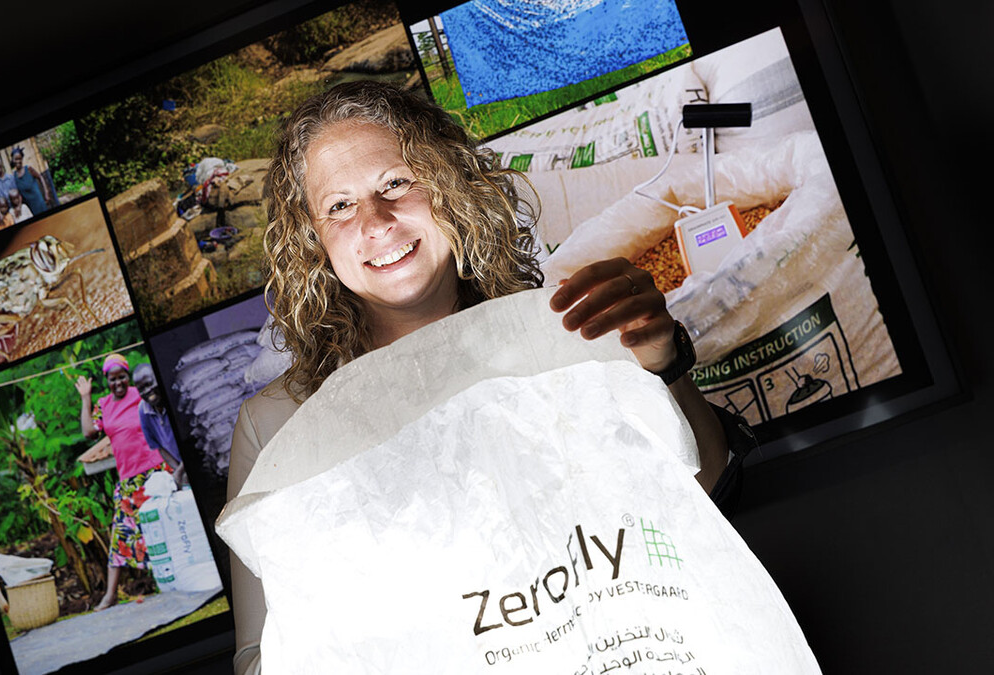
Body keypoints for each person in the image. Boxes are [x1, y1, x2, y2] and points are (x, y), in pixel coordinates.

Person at [226, 81, 753, 674]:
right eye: (339, 206)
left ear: (450, 188)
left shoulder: (566, 332)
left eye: (396, 184)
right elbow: (258, 658)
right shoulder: (278, 427)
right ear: (312, 242)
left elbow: (706, 490)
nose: (376, 221)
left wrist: (662, 363)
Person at [76, 354, 170, 611]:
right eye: (112, 378)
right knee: (122, 535)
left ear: (127, 377)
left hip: (155, 471)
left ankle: (170, 579)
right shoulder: (103, 404)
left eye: (121, 377)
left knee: (165, 525)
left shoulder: (139, 393)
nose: (118, 382)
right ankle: (110, 595)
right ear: (106, 380)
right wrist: (86, 398)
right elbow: (87, 432)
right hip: (129, 480)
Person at [131, 363, 187, 488]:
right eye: (141, 389)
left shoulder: (176, 398)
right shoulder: (143, 410)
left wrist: (180, 471)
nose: (147, 391)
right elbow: (159, 446)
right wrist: (178, 470)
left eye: (149, 384)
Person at [10, 146, 53, 216]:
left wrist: (46, 193)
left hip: (39, 203)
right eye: (16, 159)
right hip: (29, 206)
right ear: (13, 160)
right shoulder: (14, 176)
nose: (18, 161)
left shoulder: (29, 169)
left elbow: (40, 177)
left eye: (19, 159)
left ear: (22, 159)